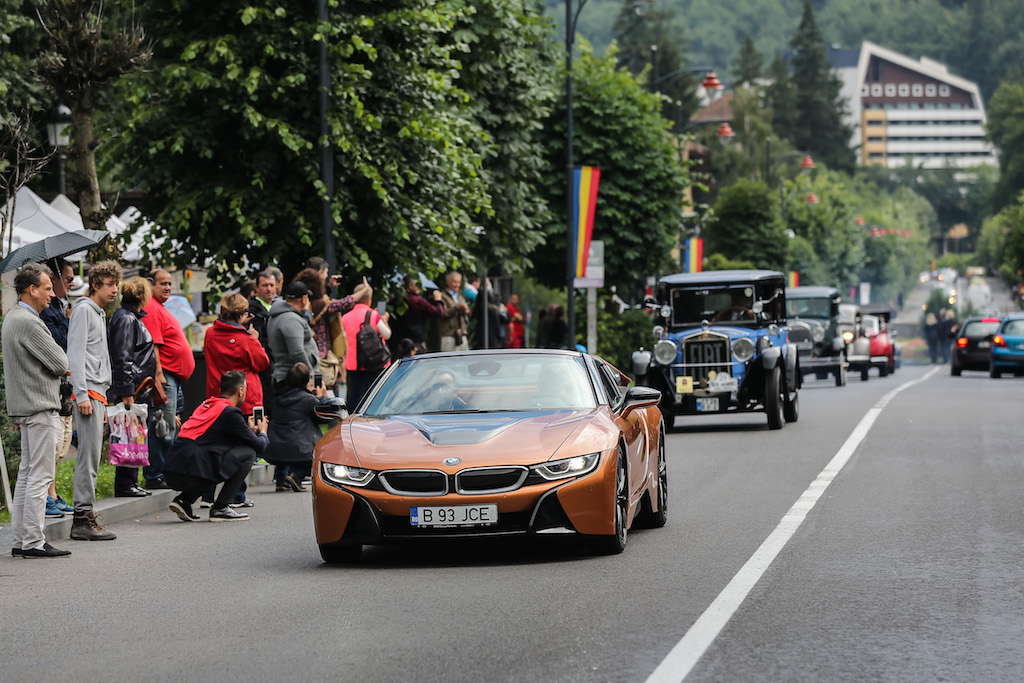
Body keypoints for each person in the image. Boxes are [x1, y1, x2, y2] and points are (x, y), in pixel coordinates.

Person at [3, 263, 72, 558]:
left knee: (29, 474)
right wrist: (54, 365)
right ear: (31, 289)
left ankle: (22, 540)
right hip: (40, 404)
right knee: (40, 476)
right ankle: (33, 541)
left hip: (26, 404)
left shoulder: (12, 317)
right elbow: (60, 361)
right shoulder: (30, 321)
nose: (51, 294)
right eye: (46, 288)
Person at [163, 371, 268, 522]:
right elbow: (260, 446)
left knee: (215, 457)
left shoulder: (208, 405)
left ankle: (184, 501)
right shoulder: (231, 413)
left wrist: (248, 432)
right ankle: (221, 507)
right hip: (189, 471)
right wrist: (263, 432)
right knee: (249, 454)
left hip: (172, 470)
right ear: (241, 391)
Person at [67, 260, 122, 541]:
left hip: (96, 392)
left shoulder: (96, 312)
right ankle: (82, 518)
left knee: (92, 456)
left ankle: (85, 515)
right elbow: (74, 354)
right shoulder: (84, 310)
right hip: (89, 392)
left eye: (116, 284)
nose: (115, 289)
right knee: (87, 457)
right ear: (97, 283)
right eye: (110, 284)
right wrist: (81, 394)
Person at [201, 292, 270, 508]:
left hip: (217, 394)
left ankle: (207, 494)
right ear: (242, 314)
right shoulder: (247, 339)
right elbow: (262, 363)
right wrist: (255, 339)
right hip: (244, 398)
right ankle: (237, 496)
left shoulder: (211, 334)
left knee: (217, 444)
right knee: (241, 449)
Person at [141, 268, 196, 489]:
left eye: (170, 284)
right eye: (162, 283)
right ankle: (155, 475)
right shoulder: (152, 308)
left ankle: (163, 472)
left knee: (169, 426)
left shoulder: (159, 307)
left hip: (173, 376)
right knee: (162, 427)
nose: (168, 288)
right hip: (165, 377)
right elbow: (154, 345)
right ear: (151, 285)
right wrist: (159, 374)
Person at [108, 276, 158, 498]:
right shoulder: (127, 320)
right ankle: (126, 483)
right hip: (133, 389)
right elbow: (123, 355)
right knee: (130, 433)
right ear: (143, 296)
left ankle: (130, 481)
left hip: (137, 387)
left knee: (134, 434)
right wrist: (127, 390)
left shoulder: (129, 317)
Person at [38, 258, 76, 516]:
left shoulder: (58, 307)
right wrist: (68, 320)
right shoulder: (48, 311)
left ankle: (52, 493)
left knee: (62, 442)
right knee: (54, 444)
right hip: (53, 385)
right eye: (68, 278)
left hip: (64, 385)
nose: (70, 283)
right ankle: (48, 497)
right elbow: (58, 343)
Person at [291, 267, 357, 389]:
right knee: (323, 397)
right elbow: (342, 303)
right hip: (320, 358)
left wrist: (329, 288)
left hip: (303, 363)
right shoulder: (318, 306)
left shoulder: (297, 309)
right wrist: (365, 291)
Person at [265, 362, 325, 492]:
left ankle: (281, 480)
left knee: (285, 450)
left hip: (275, 445)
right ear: (306, 380)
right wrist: (321, 398)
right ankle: (296, 476)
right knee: (317, 457)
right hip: (299, 447)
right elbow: (321, 418)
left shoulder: (277, 396)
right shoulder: (309, 400)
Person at [341, 282, 392, 408]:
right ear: (369, 300)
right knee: (370, 394)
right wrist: (384, 320)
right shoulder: (373, 315)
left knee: (354, 393)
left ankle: (352, 419)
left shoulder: (344, 318)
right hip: (373, 361)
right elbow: (387, 334)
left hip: (353, 364)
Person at [267, 281, 320, 384]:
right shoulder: (291, 319)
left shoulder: (278, 316)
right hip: (294, 379)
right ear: (304, 299)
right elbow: (297, 351)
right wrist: (311, 374)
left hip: (286, 376)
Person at [390, 275, 444, 355]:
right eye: (418, 285)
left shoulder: (395, 299)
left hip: (398, 342)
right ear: (410, 286)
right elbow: (439, 312)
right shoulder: (417, 300)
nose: (420, 287)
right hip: (415, 342)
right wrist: (438, 300)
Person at [438, 271, 470, 352]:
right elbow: (443, 313)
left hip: (462, 334)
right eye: (455, 282)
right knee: (448, 362)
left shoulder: (460, 295)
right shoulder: (442, 296)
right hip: (449, 335)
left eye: (459, 282)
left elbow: (467, 313)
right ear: (447, 282)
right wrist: (457, 307)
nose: (457, 285)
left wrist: (466, 310)